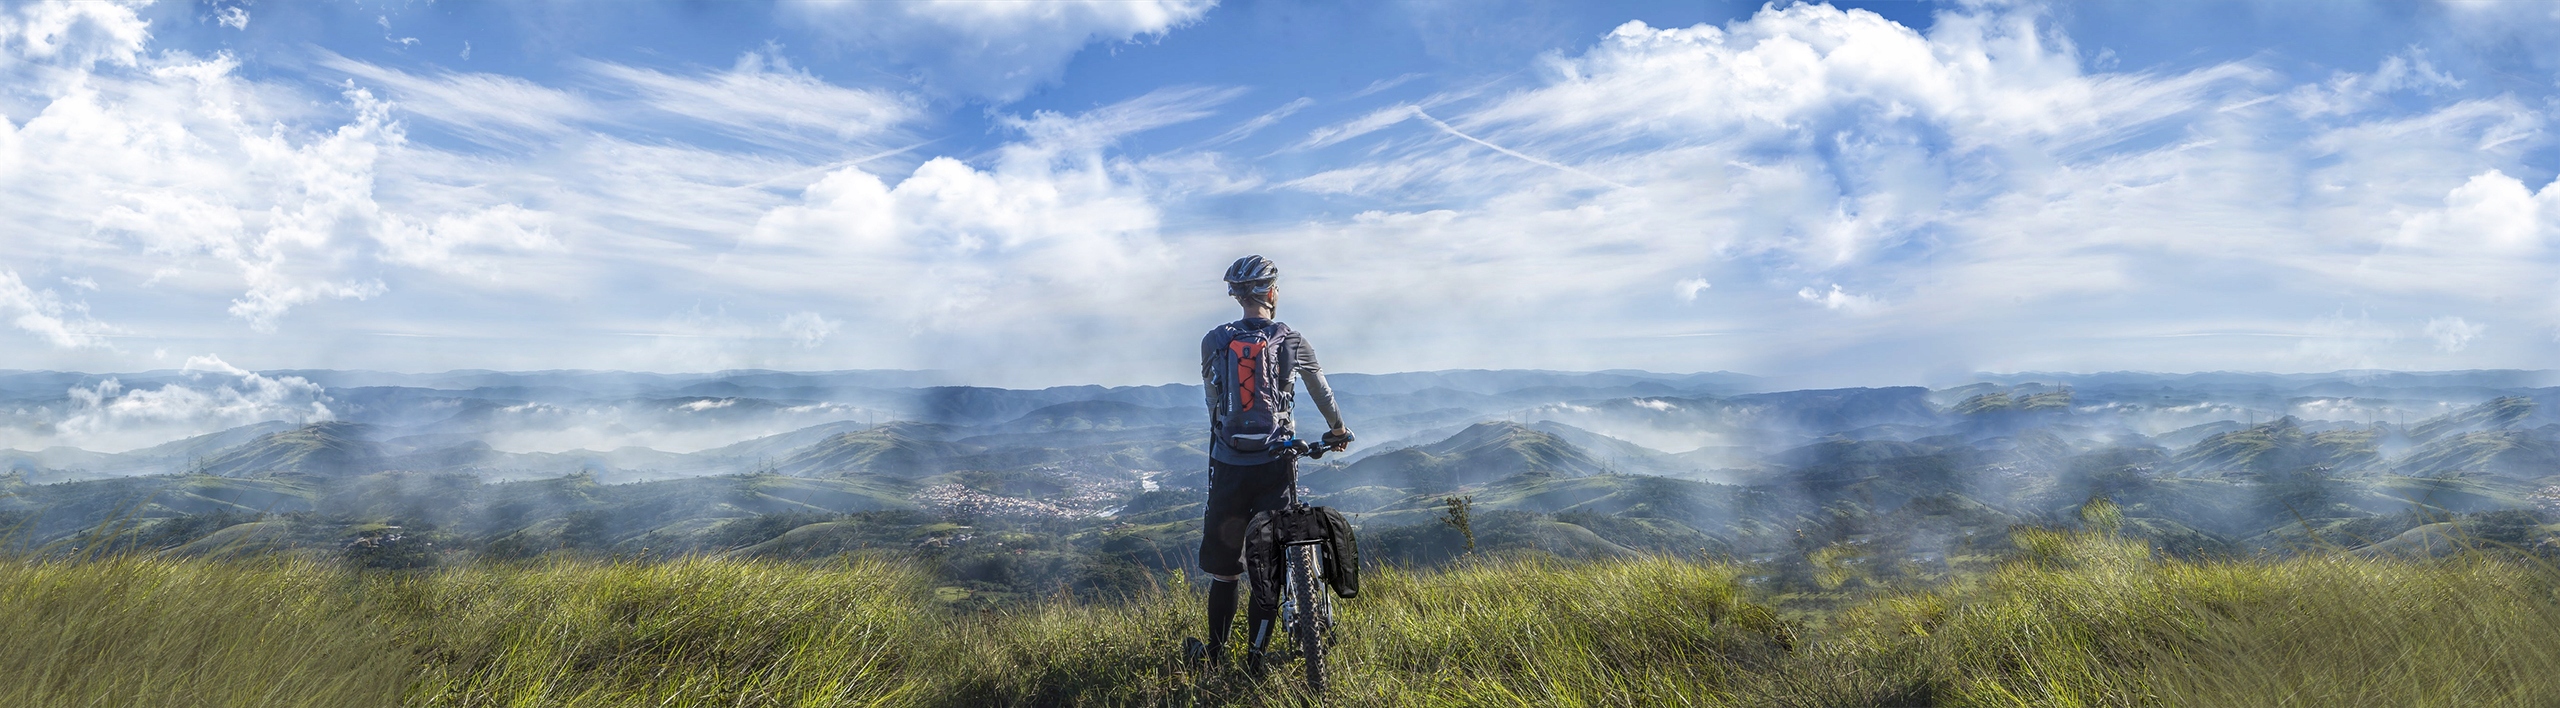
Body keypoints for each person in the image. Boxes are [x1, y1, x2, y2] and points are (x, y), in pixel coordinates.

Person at [1190, 254, 1352, 673]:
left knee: (1226, 572)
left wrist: (1226, 442)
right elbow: (1321, 392)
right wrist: (1337, 430)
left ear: (1237, 296)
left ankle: (1214, 655)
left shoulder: (1213, 341)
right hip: (1276, 463)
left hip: (1228, 464)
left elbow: (1212, 401)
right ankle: (1256, 659)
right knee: (1267, 566)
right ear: (1272, 293)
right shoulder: (1291, 340)